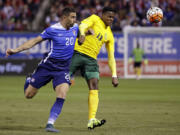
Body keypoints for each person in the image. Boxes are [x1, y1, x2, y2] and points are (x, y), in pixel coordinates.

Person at [6, 7, 79, 133]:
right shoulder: (52, 30)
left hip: (63, 69)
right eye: (72, 17)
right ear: (64, 17)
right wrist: (15, 50)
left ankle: (50, 124)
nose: (74, 20)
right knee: (28, 95)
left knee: (62, 94)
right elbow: (34, 41)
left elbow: (85, 28)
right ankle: (29, 79)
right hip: (48, 66)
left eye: (75, 17)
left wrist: (87, 33)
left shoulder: (76, 27)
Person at [70, 7, 119, 130]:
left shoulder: (110, 35)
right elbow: (83, 25)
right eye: (109, 16)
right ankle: (35, 81)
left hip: (91, 59)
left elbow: (111, 57)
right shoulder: (94, 19)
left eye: (113, 17)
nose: (111, 19)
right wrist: (82, 34)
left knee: (94, 85)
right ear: (102, 15)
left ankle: (92, 119)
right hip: (76, 53)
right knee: (61, 79)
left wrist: (114, 75)